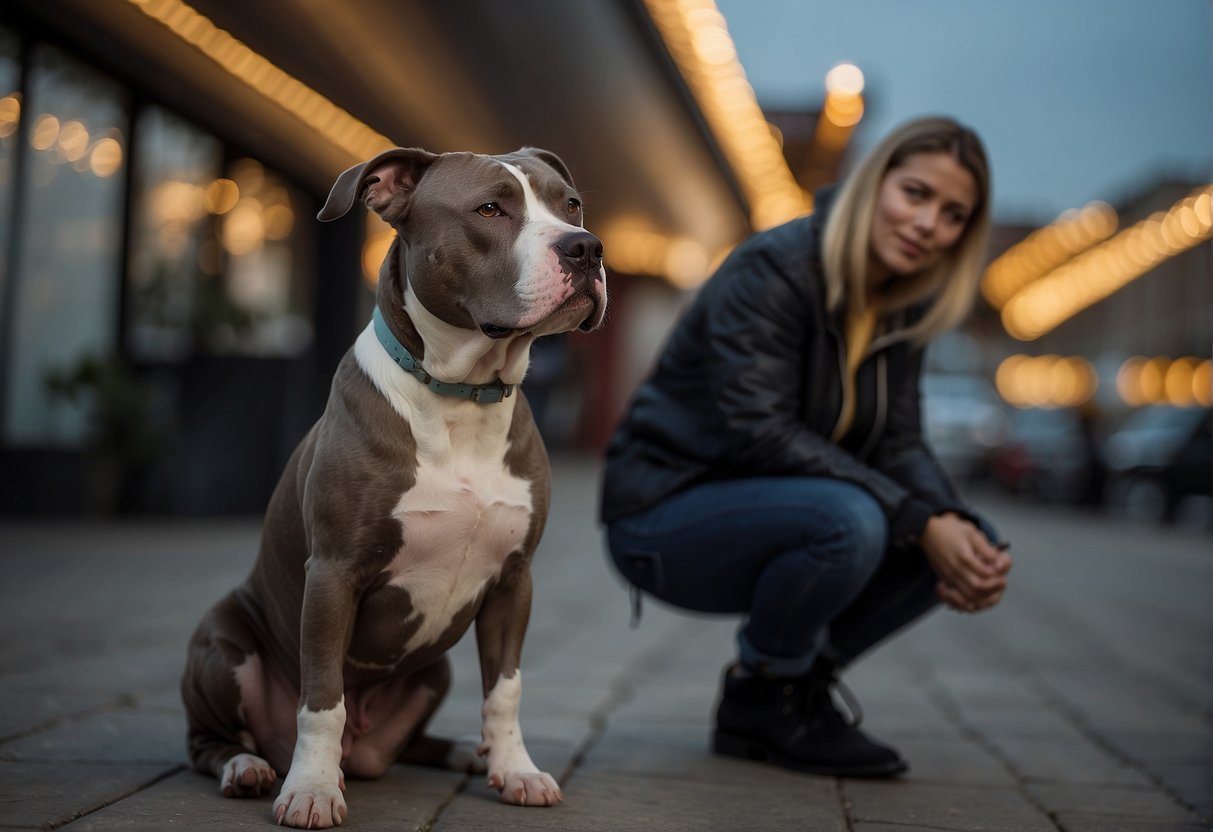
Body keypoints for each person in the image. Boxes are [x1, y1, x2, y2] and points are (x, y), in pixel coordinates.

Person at [599, 116, 1012, 778]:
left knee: (967, 532)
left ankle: (773, 698)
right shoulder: (777, 269)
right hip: (661, 519)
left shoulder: (901, 305)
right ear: (873, 184)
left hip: (776, 511)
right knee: (851, 520)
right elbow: (755, 431)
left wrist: (949, 527)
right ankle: (771, 683)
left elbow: (900, 442)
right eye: (915, 193)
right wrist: (916, 519)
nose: (929, 222)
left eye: (953, 213)